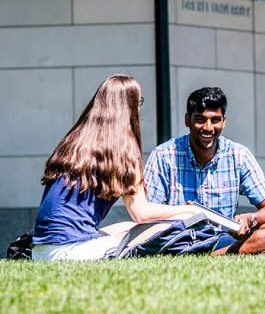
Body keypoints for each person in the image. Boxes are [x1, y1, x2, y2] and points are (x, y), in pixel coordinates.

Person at [32, 74, 198, 261]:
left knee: (125, 227)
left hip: (39, 251)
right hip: (72, 251)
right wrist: (189, 210)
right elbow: (141, 213)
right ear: (130, 106)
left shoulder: (73, 142)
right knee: (168, 225)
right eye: (139, 102)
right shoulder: (124, 150)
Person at [144, 87, 265, 254]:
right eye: (200, 120)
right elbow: (148, 215)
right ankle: (254, 252)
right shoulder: (164, 155)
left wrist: (249, 219)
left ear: (224, 121)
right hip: (177, 241)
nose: (208, 128)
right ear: (187, 120)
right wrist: (184, 213)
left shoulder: (238, 155)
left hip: (223, 240)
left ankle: (235, 252)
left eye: (215, 120)